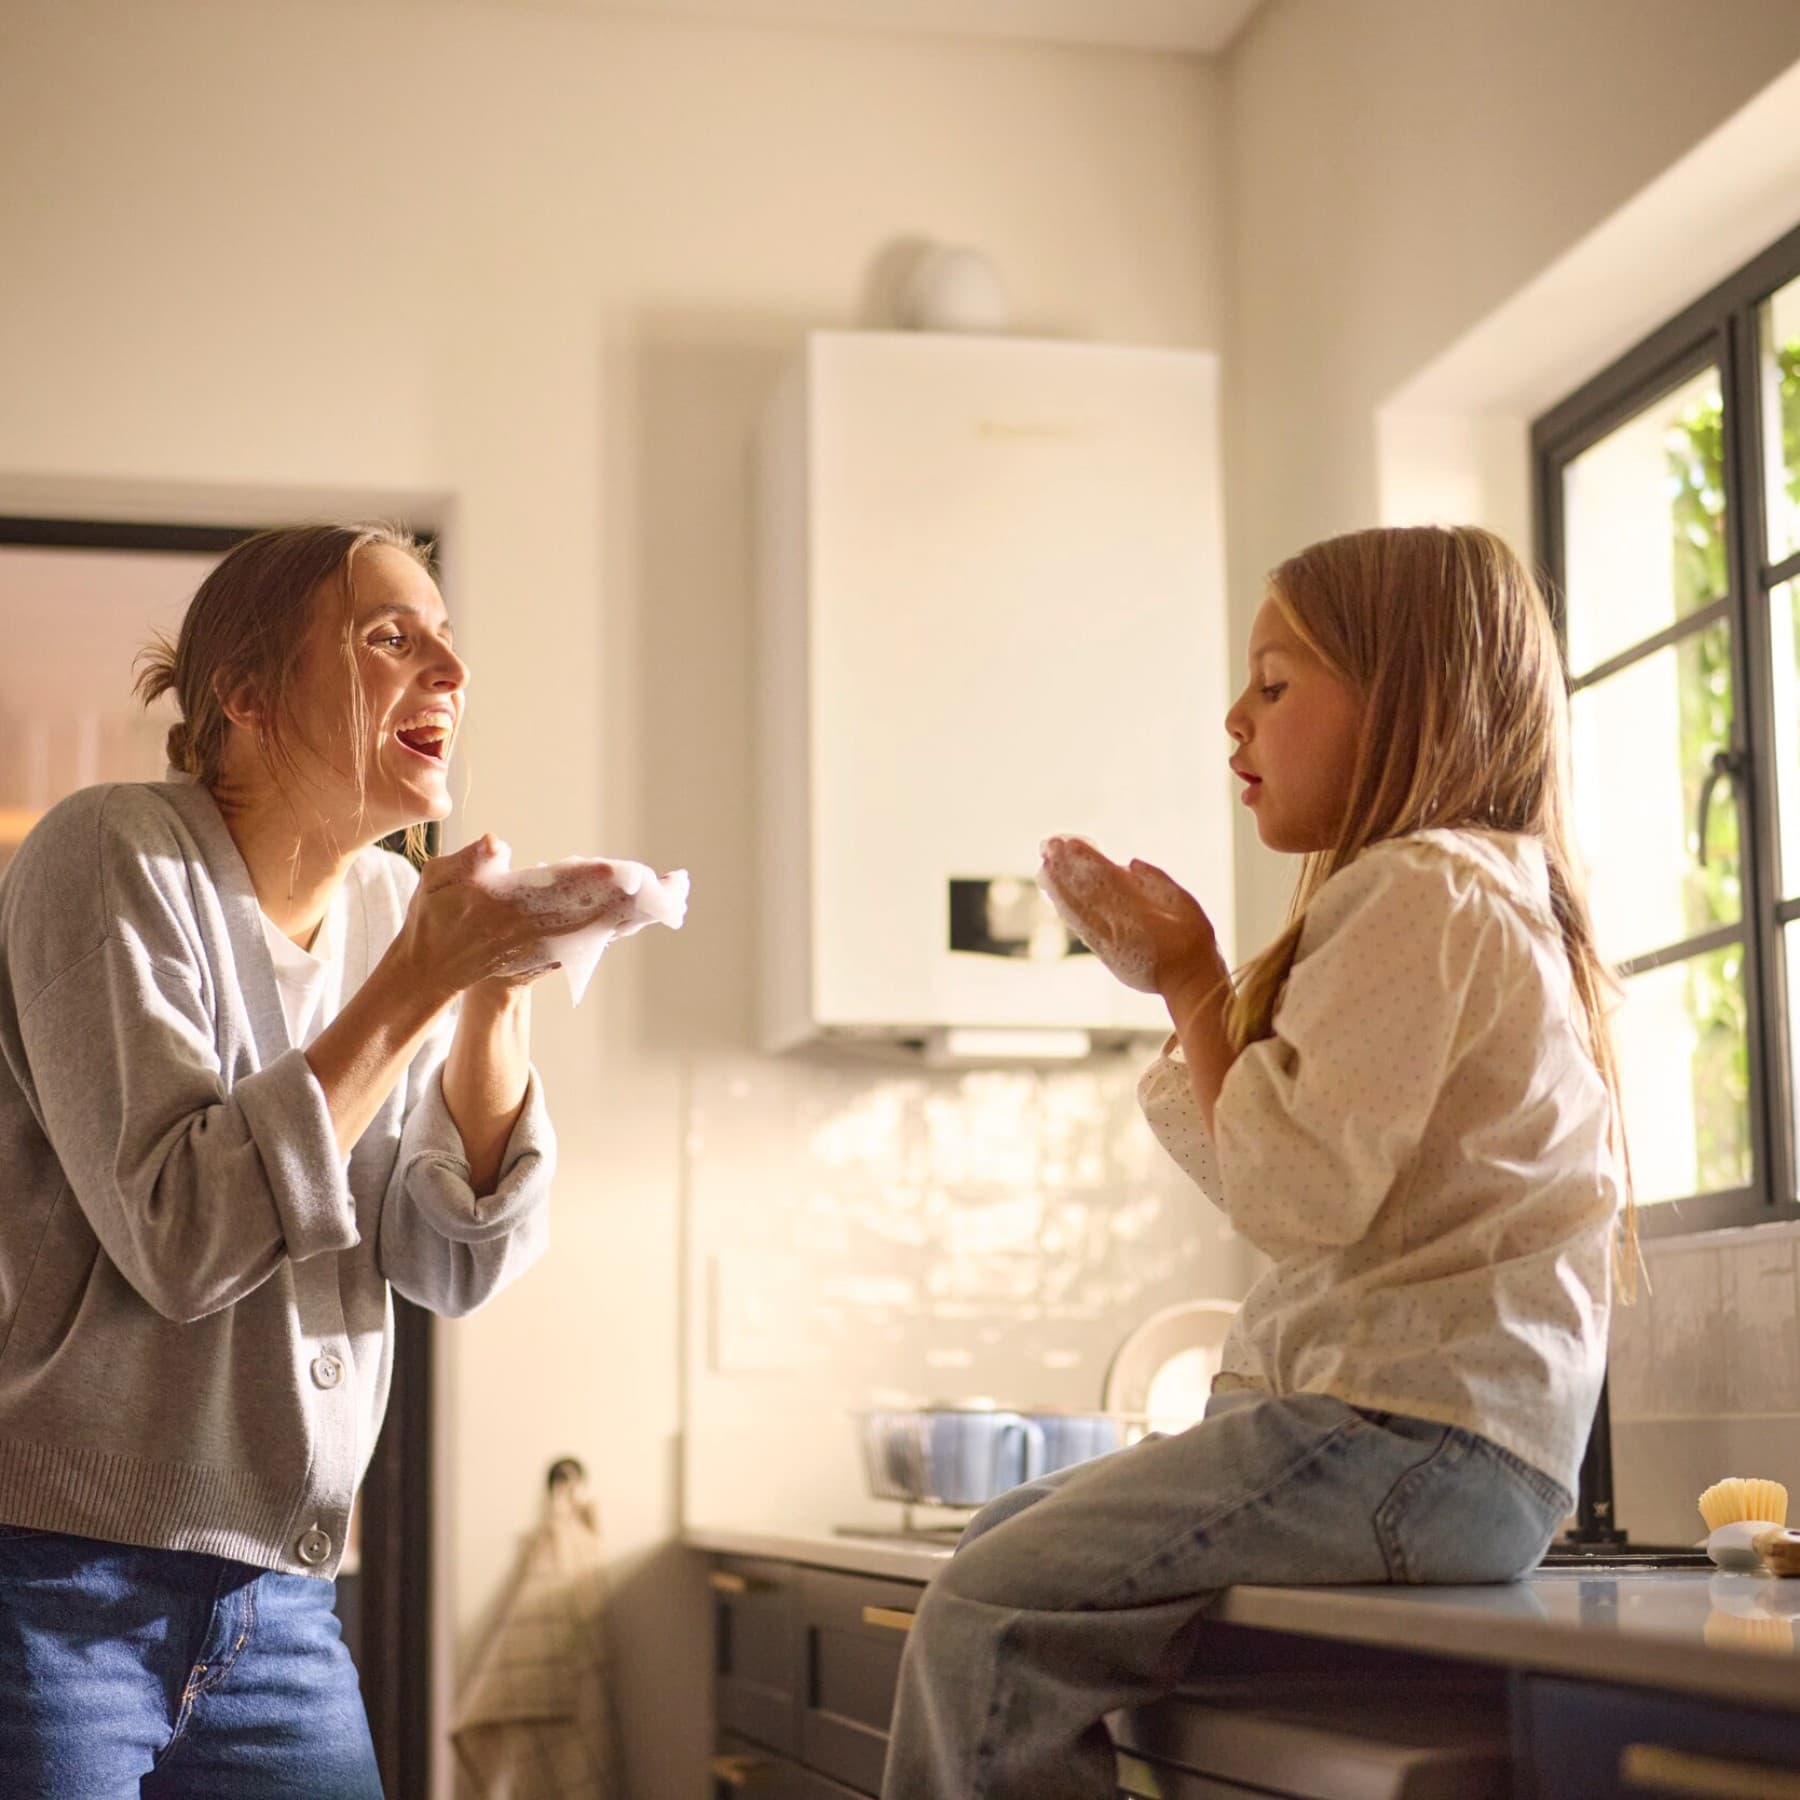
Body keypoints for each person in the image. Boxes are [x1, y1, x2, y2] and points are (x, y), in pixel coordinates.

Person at [881, 524, 1631, 1800]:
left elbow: (1286, 1196)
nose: (1236, 719)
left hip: (1410, 1447)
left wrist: (1186, 978)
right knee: (1004, 1545)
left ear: (1405, 703)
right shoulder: (1476, 893)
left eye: (1275, 684)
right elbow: (1285, 1178)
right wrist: (1187, 989)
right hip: (1451, 1460)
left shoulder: (1418, 890)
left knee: (989, 1611)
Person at [0, 523, 621, 1797]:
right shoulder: (111, 852)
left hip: (283, 1608)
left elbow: (450, 1263)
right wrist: (419, 983)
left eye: (449, 639)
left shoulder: (398, 911)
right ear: (246, 692)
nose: (449, 669)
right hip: (54, 1591)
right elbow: (180, 1233)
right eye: (393, 637)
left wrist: (493, 991)